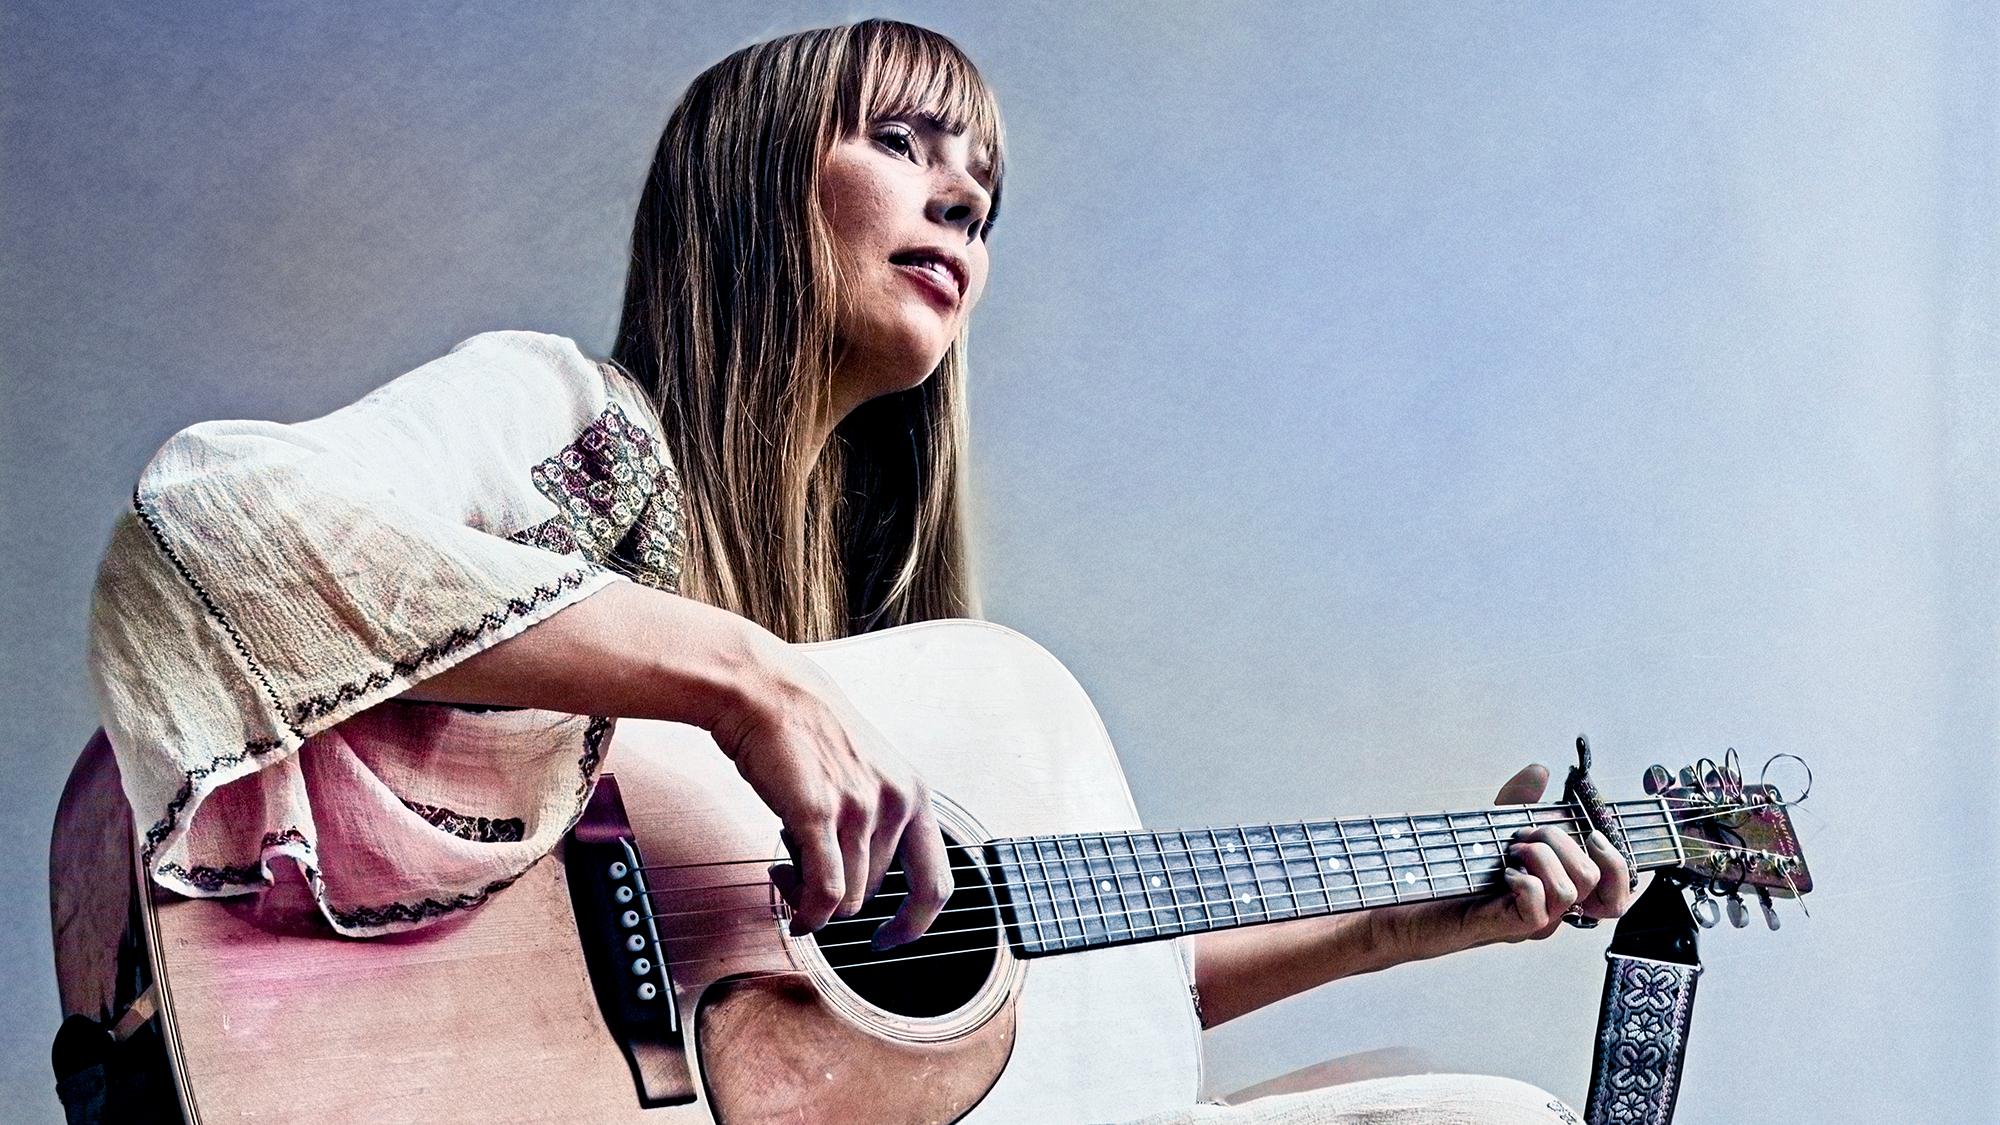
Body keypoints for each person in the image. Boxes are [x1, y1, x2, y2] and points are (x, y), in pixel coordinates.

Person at [79, 19, 1634, 1124]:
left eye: (985, 188)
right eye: (900, 142)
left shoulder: (892, 657)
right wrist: (737, 679)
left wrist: (1430, 913)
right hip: (377, 1056)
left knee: (1480, 1112)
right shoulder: (562, 419)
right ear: (758, 182)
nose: (960, 195)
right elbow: (215, 516)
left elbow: (1080, 1015)